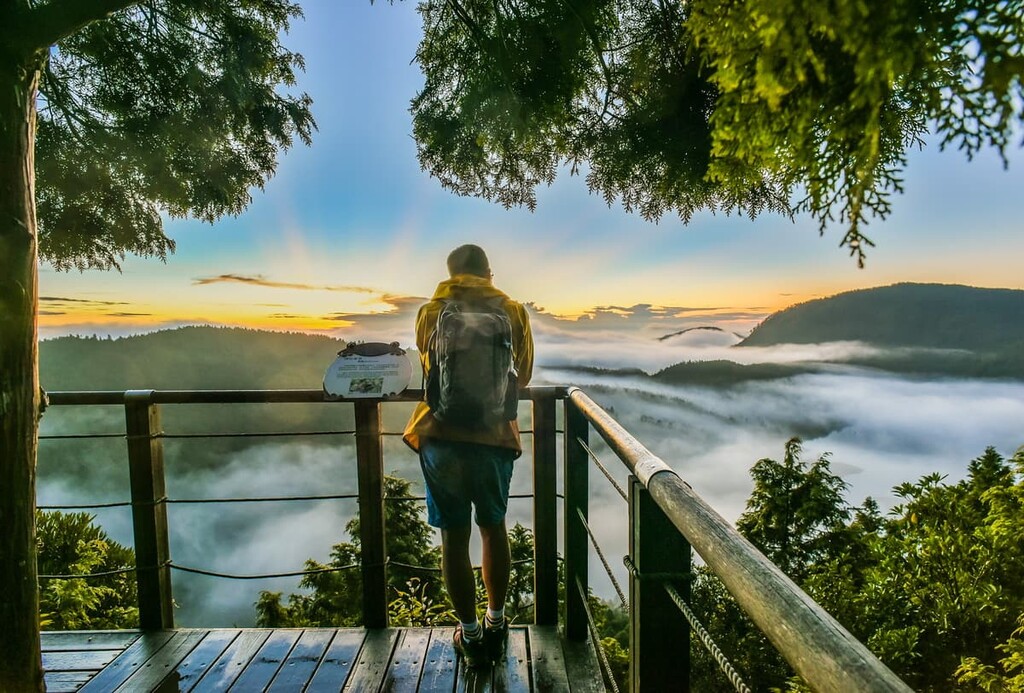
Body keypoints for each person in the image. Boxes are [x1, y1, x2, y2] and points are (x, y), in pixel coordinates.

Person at [403, 244, 534, 668]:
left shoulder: (430, 312)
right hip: (494, 436)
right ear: (489, 273)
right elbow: (524, 373)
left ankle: (470, 634)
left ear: (449, 272)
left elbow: (429, 370)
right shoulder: (511, 310)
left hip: (441, 435)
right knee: (493, 529)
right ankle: (497, 624)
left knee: (453, 538)